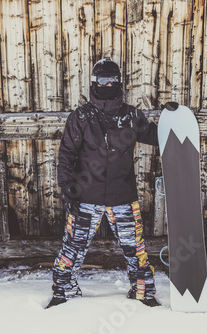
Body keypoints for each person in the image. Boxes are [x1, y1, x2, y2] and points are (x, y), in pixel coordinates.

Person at [47, 57, 160, 308]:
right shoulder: (82, 117)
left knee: (136, 250)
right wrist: (68, 191)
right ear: (94, 82)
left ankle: (143, 292)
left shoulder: (131, 116)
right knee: (72, 249)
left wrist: (173, 120)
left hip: (123, 197)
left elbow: (156, 136)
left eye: (113, 80)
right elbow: (66, 155)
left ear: (120, 83)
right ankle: (63, 292)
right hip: (86, 197)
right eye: (103, 80)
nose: (108, 85)